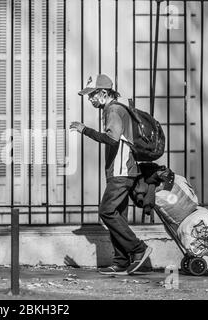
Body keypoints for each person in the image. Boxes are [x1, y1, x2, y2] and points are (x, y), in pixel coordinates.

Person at [70, 74, 153, 275]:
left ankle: (139, 249)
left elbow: (112, 139)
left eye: (92, 95)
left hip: (121, 171)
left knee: (106, 211)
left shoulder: (114, 110)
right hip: (121, 171)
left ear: (103, 93)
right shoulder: (113, 109)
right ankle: (121, 261)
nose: (89, 99)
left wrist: (84, 130)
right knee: (119, 216)